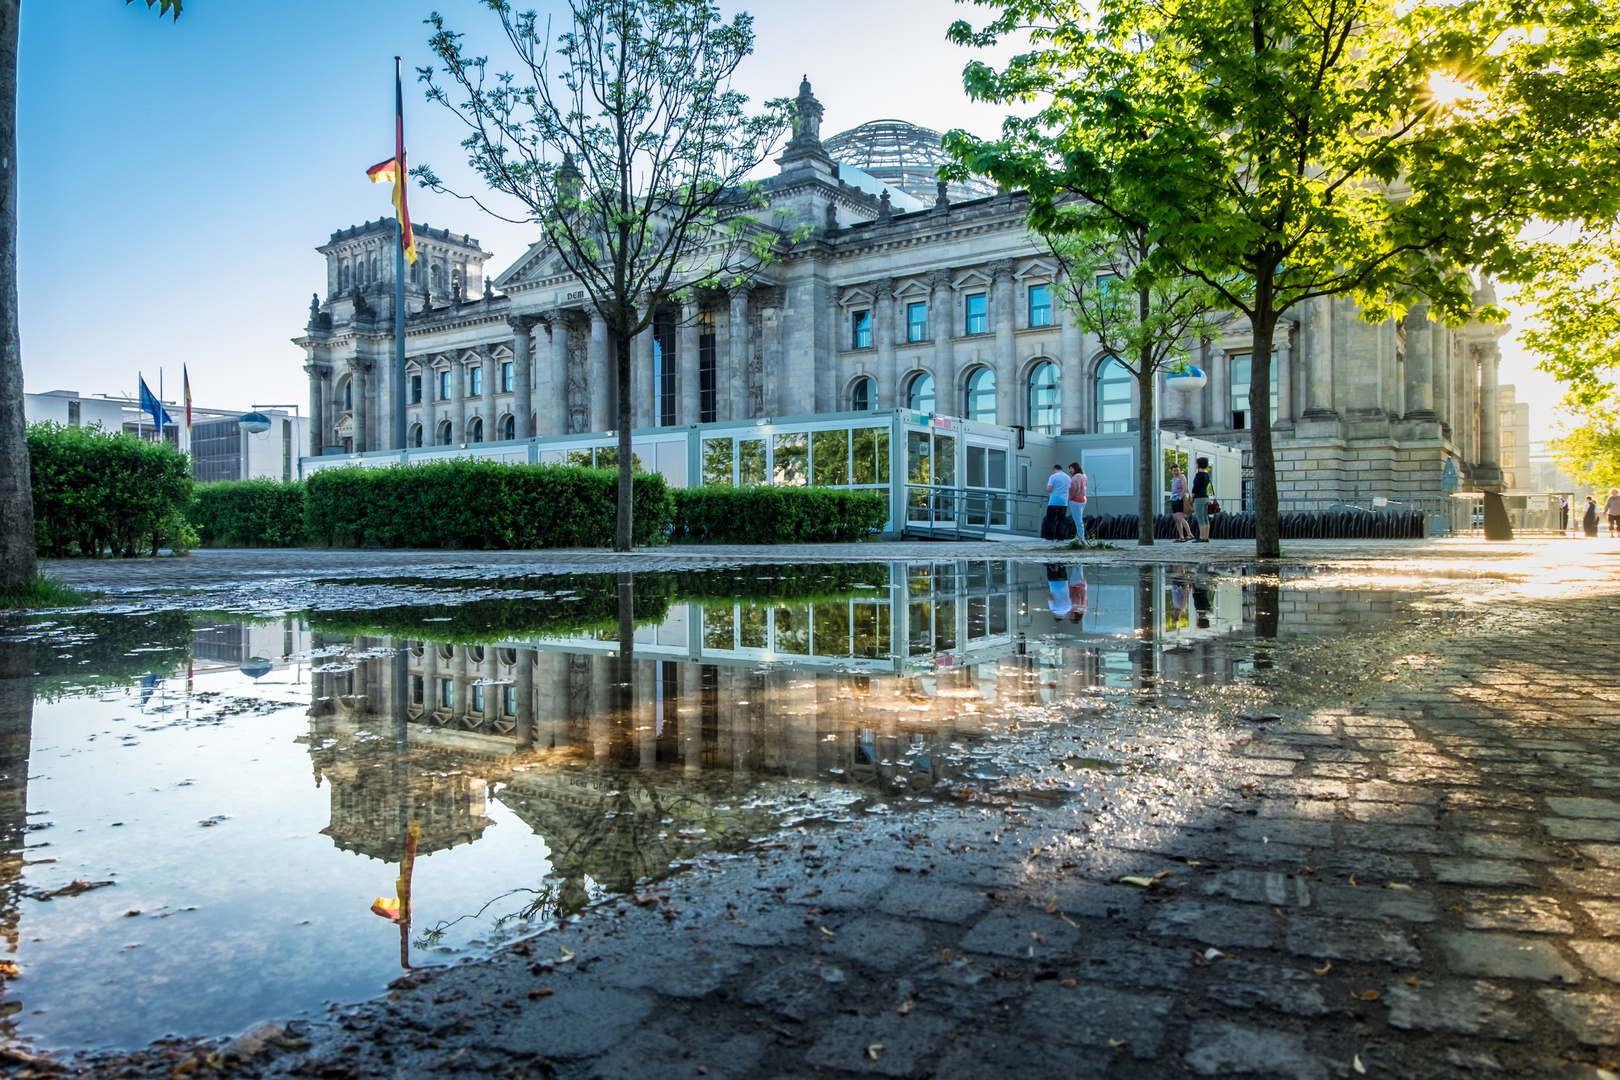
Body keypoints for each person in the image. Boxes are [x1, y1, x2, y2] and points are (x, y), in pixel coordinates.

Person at [1043, 464, 1070, 540]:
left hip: (1054, 501)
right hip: (1064, 502)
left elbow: (1049, 489)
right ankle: (1060, 537)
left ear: (1054, 469)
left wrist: (1046, 488)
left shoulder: (1053, 477)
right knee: (1061, 520)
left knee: (1050, 520)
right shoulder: (1068, 477)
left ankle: (1049, 537)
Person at [1169, 463, 1192, 542]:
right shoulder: (1174, 479)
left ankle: (1189, 533)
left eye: (1177, 470)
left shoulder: (1181, 477)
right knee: (1176, 518)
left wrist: (1180, 497)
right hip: (1173, 499)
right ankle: (1181, 536)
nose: (1176, 472)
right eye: (1174, 471)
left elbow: (1185, 488)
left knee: (1180, 517)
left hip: (1179, 499)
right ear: (1171, 471)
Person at [1191, 457, 1212, 543]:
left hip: (1199, 498)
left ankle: (1201, 537)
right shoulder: (1207, 474)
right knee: (1206, 518)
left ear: (1199, 464)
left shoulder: (1198, 475)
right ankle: (1206, 537)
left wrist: (1192, 497)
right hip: (1206, 497)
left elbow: (1195, 488)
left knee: (1200, 519)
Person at [1067, 462, 1088, 542]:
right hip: (1083, 499)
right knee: (1079, 518)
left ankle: (1080, 537)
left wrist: (1071, 498)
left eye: (1071, 468)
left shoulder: (1077, 476)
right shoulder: (1084, 476)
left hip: (1076, 500)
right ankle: (1080, 536)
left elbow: (1076, 488)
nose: (1070, 470)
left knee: (1078, 519)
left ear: (1075, 468)